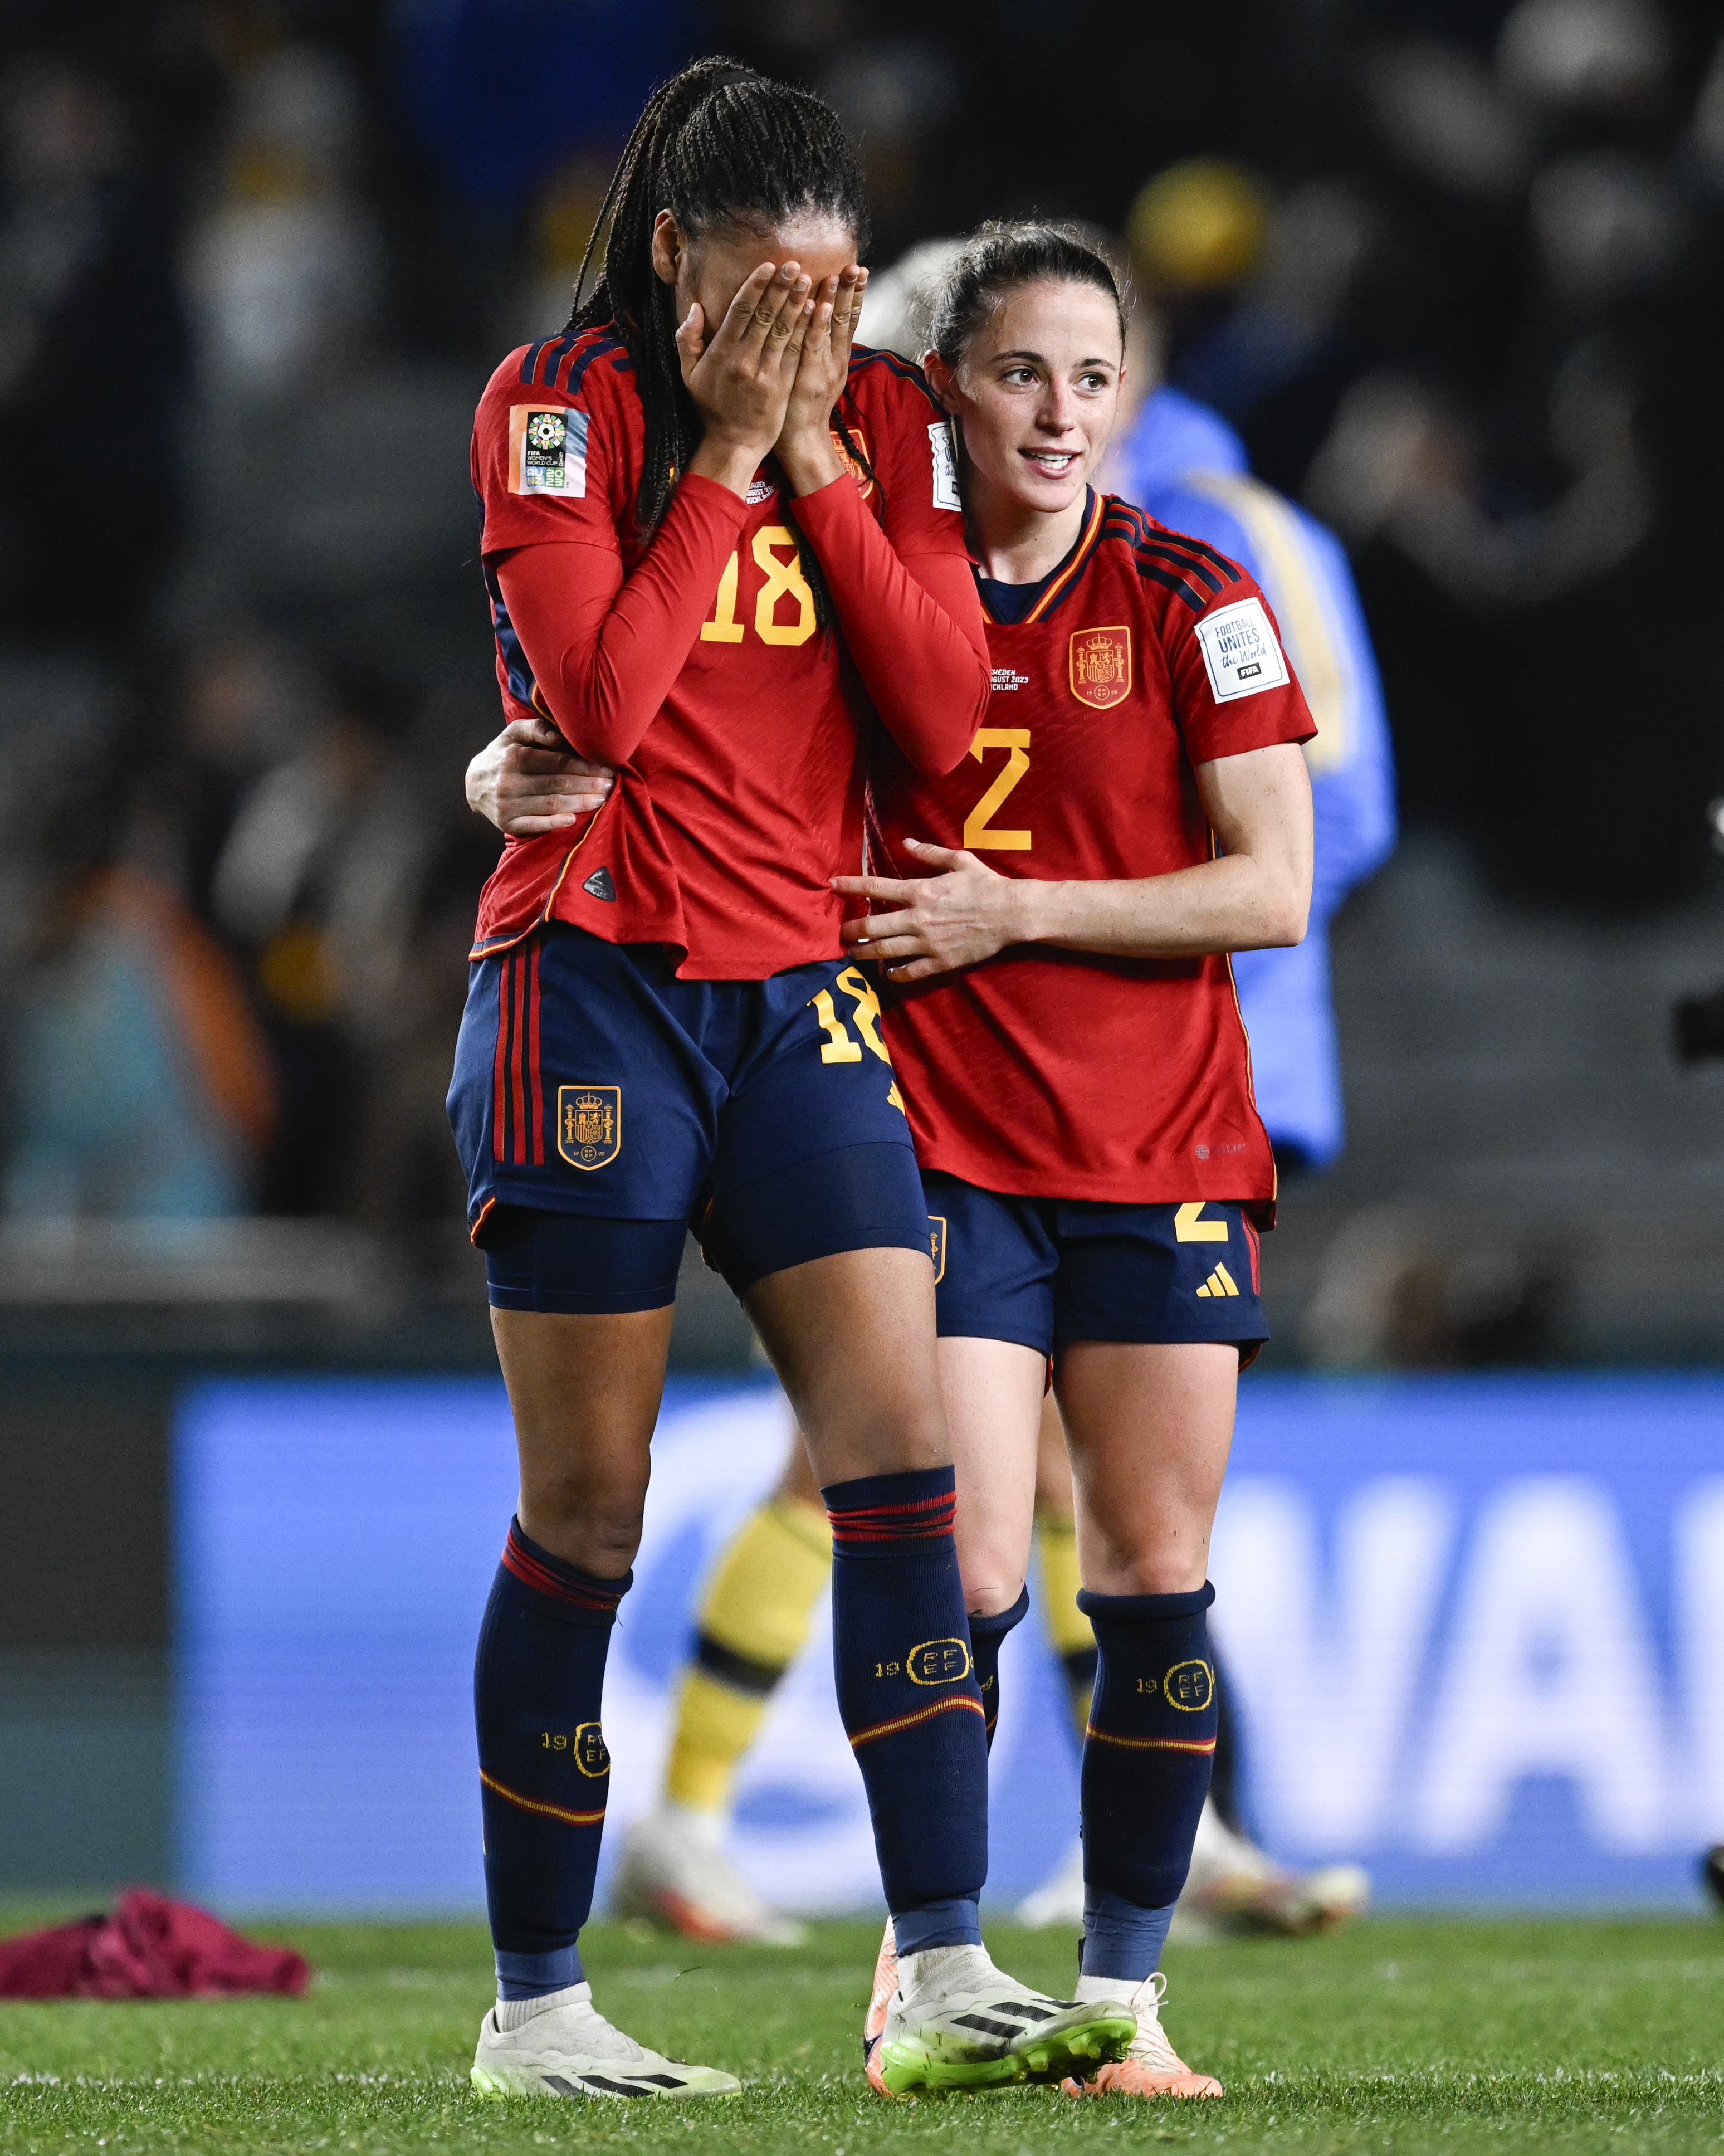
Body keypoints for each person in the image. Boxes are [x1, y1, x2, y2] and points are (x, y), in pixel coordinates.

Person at [470, 219, 1317, 2101]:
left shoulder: (1197, 587)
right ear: (940, 392)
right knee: (965, 1553)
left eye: (1096, 377)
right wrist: (501, 762)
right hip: (936, 1136)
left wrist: (1016, 912)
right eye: (1022, 371)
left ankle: (1129, 1999)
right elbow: (686, 721)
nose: (1063, 411)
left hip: (1162, 1137)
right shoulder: (867, 581)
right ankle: (921, 1958)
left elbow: (1278, 882)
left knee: (1159, 1573)